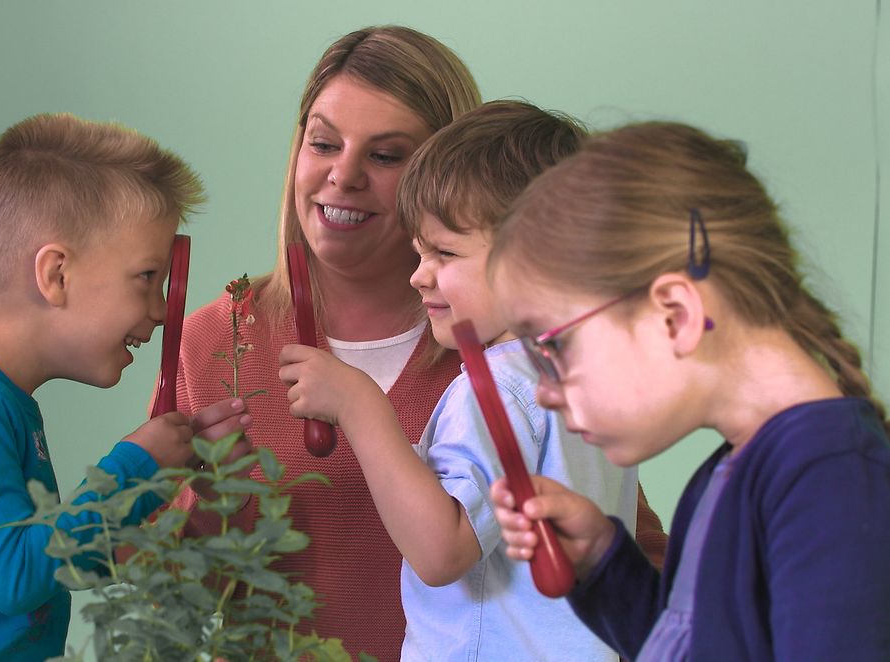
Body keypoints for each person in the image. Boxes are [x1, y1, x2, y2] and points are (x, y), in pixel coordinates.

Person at [168, 26, 664, 660]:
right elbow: (177, 581)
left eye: (385, 155)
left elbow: (624, 551)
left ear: (445, 174)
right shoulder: (219, 341)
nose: (342, 176)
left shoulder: (496, 364)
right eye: (323, 143)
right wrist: (182, 495)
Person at [487, 121, 890, 660]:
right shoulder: (736, 469)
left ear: (674, 315)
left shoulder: (826, 474)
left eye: (551, 348)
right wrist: (602, 560)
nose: (544, 393)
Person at [280, 100, 638, 661]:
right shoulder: (587, 378)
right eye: (421, 250)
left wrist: (360, 406)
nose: (419, 275)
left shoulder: (496, 384)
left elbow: (441, 550)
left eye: (444, 253)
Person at [0, 113, 245, 661]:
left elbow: (48, 558)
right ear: (56, 274)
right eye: (147, 277)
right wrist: (132, 466)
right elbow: (16, 576)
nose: (158, 312)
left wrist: (158, 480)